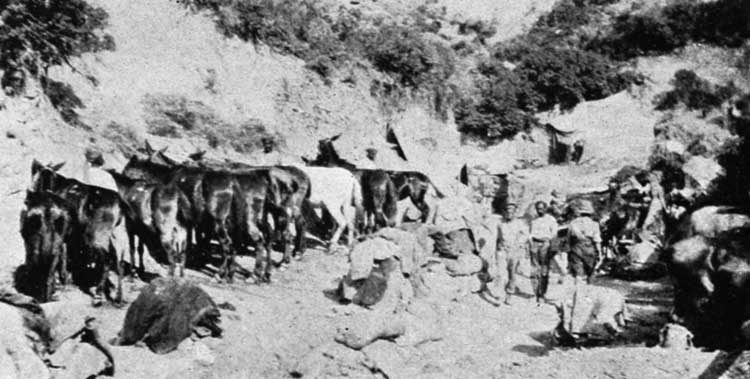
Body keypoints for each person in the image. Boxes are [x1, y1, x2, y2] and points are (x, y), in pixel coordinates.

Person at [495, 202, 530, 305]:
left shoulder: (520, 223)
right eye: (507, 211)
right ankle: (499, 295)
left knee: (512, 274)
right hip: (502, 250)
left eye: (512, 212)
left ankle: (509, 294)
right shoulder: (500, 223)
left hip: (515, 251)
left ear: (515, 213)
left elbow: (525, 235)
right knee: (501, 274)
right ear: (504, 212)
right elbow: (495, 236)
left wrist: (519, 243)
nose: (509, 213)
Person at [567, 199, 603, 285]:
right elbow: (597, 240)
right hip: (589, 248)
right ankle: (588, 293)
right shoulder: (594, 224)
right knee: (590, 272)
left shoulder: (573, 223)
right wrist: (600, 253)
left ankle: (578, 295)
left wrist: (569, 249)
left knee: (578, 274)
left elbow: (568, 238)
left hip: (576, 247)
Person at [529, 201, 559, 304]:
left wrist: (553, 248)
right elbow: (531, 234)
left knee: (544, 270)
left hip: (546, 244)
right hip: (535, 244)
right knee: (534, 270)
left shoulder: (551, 220)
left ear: (546, 209)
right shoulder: (534, 221)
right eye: (538, 208)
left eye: (541, 208)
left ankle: (542, 293)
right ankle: (535, 292)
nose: (539, 210)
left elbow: (554, 235)